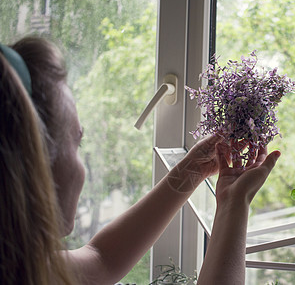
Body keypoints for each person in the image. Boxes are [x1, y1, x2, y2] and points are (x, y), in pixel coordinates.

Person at [0, 36, 280, 284]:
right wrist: (235, 203)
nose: (81, 164)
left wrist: (193, 169)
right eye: (77, 143)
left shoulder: (25, 268)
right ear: (32, 167)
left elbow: (102, 260)